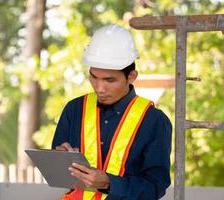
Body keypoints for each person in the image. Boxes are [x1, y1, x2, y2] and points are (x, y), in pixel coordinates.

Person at [51, 24, 172, 200]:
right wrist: (59, 159)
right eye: (94, 77)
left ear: (131, 77)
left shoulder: (154, 121)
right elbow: (57, 173)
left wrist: (108, 183)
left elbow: (155, 188)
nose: (99, 88)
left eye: (109, 80)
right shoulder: (74, 109)